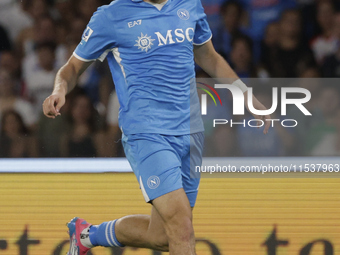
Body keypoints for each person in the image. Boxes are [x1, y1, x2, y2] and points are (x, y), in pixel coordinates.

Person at [42, 0, 270, 254]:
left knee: (163, 236)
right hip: (147, 133)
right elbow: (72, 67)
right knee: (182, 229)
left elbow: (210, 57)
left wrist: (245, 96)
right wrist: (59, 90)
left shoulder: (190, 5)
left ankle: (87, 234)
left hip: (191, 133)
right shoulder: (112, 15)